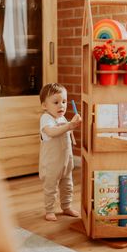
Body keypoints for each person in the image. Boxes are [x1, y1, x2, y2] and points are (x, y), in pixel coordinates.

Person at [39, 83, 81, 221]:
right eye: (56, 102)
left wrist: (72, 125)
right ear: (45, 105)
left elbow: (66, 132)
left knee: (68, 185)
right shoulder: (46, 119)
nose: (61, 106)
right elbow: (51, 132)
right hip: (51, 163)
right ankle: (49, 210)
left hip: (65, 162)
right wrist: (69, 125)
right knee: (51, 187)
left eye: (64, 101)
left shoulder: (62, 118)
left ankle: (66, 206)